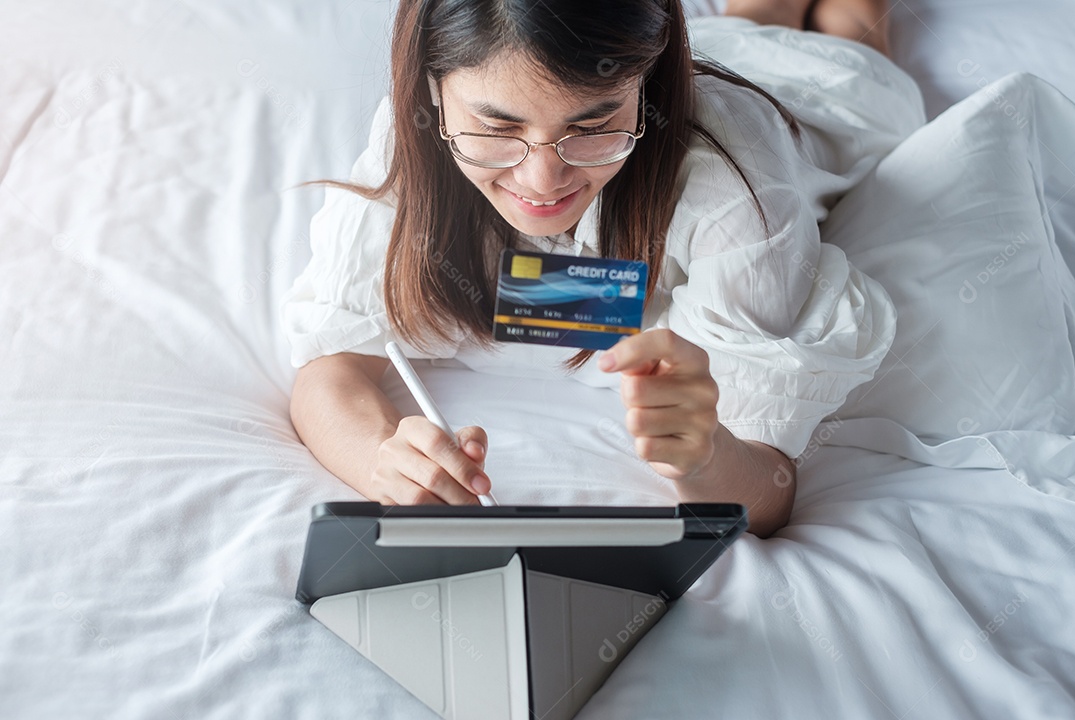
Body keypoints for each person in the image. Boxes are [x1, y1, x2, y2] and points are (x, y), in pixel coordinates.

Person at [281, 0, 924, 537]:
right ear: (431, 92)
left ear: (645, 90)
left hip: (823, 98)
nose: (541, 182)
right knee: (758, 11)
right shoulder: (416, 135)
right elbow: (330, 366)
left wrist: (705, 455)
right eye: (496, 127)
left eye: (593, 125)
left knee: (853, 24)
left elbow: (766, 492)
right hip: (674, 52)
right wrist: (378, 462)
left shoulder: (737, 184)